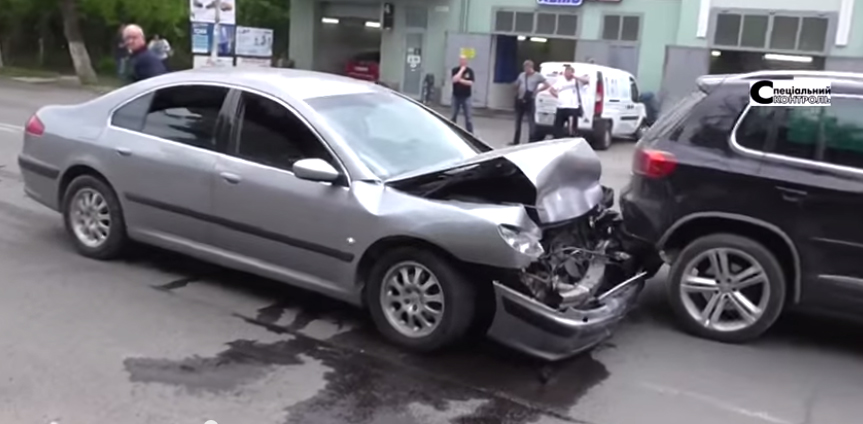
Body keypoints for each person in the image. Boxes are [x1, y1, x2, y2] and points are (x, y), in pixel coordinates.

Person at [543, 65, 590, 139]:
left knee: (572, 128)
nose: (567, 74)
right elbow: (551, 89)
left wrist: (575, 77)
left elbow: (586, 81)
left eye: (569, 73)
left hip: (573, 107)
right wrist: (558, 96)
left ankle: (571, 137)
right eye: (566, 72)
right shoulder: (561, 80)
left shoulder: (576, 81)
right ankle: (557, 139)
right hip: (561, 107)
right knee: (558, 126)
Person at [511, 60, 548, 145]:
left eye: (527, 68)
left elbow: (546, 84)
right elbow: (517, 84)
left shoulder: (537, 76)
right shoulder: (522, 75)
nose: (526, 70)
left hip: (530, 100)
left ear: (531, 67)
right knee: (518, 121)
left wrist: (537, 90)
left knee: (531, 121)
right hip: (520, 99)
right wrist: (516, 88)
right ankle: (515, 141)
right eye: (524, 68)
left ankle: (531, 140)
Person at [450, 55, 475, 133]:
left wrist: (460, 80)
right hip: (456, 96)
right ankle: (452, 131)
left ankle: (470, 133)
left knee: (468, 117)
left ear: (466, 61)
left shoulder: (470, 71)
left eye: (464, 60)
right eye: (461, 60)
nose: (462, 61)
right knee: (453, 115)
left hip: (466, 97)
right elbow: (454, 80)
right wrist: (461, 71)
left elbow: (470, 83)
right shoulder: (455, 70)